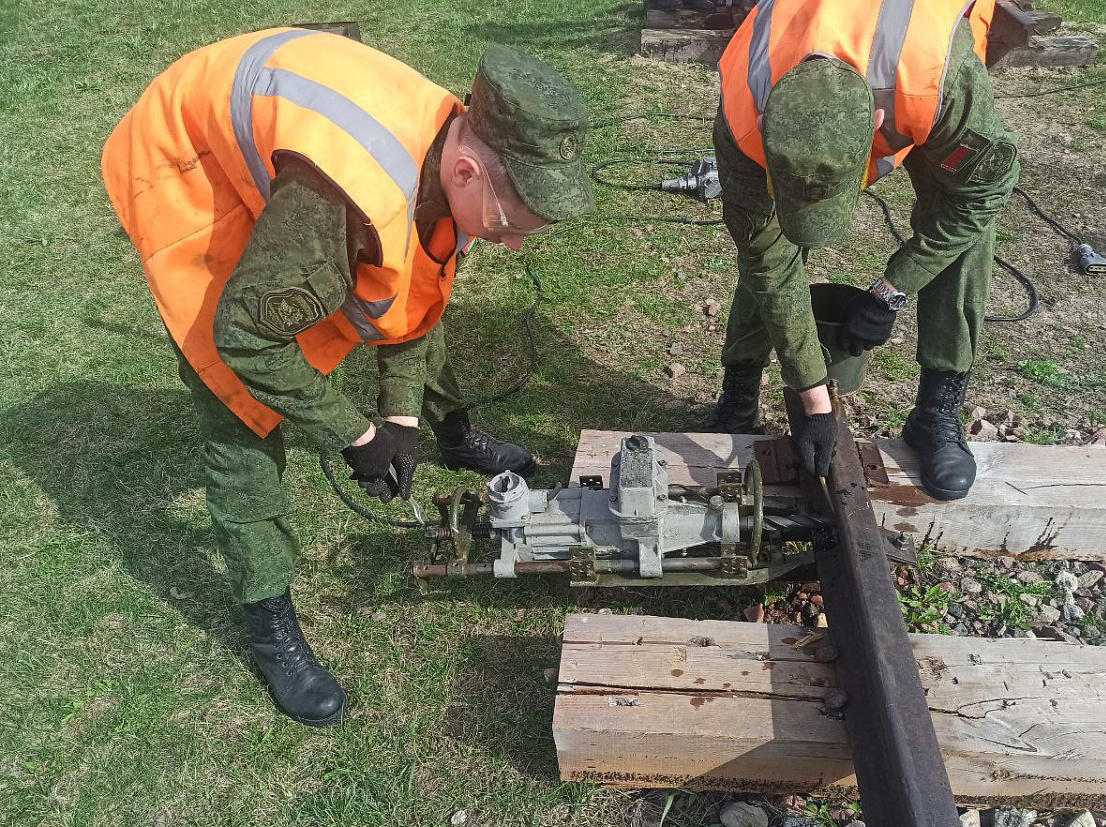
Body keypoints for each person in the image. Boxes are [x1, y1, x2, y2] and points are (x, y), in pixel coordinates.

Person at [102, 31, 593, 726]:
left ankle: (452, 434)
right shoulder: (340, 201)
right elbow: (244, 340)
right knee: (235, 402)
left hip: (294, 144)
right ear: (465, 172)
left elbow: (419, 282)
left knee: (417, 271)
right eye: (512, 225)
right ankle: (270, 624)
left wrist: (401, 417)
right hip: (185, 160)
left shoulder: (453, 141)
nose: (512, 244)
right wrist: (355, 434)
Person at [703, 0, 1019, 500]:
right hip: (873, 86)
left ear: (876, 123)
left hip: (925, 83)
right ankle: (738, 396)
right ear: (764, 128)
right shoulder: (743, 108)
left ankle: (937, 410)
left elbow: (979, 197)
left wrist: (890, 292)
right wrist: (813, 398)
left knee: (962, 225)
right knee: (761, 241)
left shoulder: (940, 80)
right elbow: (767, 258)